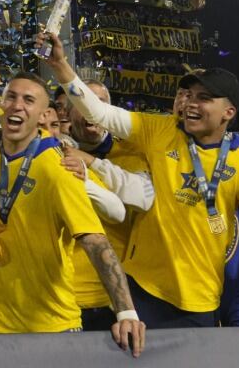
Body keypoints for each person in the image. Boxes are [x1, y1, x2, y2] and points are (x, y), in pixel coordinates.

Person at [38, 31, 239, 329]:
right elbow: (99, 112)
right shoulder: (161, 130)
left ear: (228, 112)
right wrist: (61, 66)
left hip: (200, 301)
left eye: (204, 98)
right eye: (189, 95)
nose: (191, 103)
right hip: (140, 289)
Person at [0, 72, 143, 356]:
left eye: (28, 100)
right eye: (11, 96)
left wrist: (126, 313)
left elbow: (96, 242)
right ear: (0, 102)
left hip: (52, 323)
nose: (17, 105)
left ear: (43, 114)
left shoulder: (59, 168)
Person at [57, 80, 155, 331]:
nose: (92, 109)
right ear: (67, 112)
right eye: (83, 102)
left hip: (116, 298)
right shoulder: (53, 152)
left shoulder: (133, 153)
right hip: (61, 293)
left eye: (100, 102)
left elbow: (144, 198)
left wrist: (88, 162)